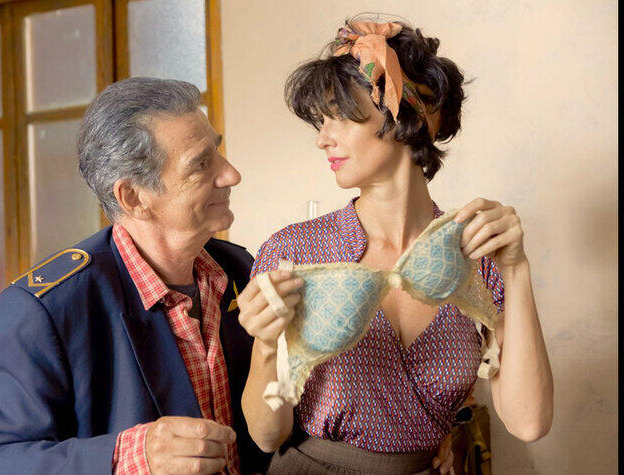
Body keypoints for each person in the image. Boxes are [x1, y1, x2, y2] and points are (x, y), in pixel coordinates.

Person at [236, 16, 554, 474]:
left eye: (339, 116)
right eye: (320, 122)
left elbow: (529, 422)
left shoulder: (475, 255)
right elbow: (268, 434)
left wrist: (516, 269)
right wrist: (268, 346)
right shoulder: (296, 252)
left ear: (408, 115)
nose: (323, 139)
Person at [0, 77, 270, 474]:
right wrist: (129, 456)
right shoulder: (46, 309)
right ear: (133, 197)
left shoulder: (241, 268)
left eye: (218, 152)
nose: (231, 174)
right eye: (200, 164)